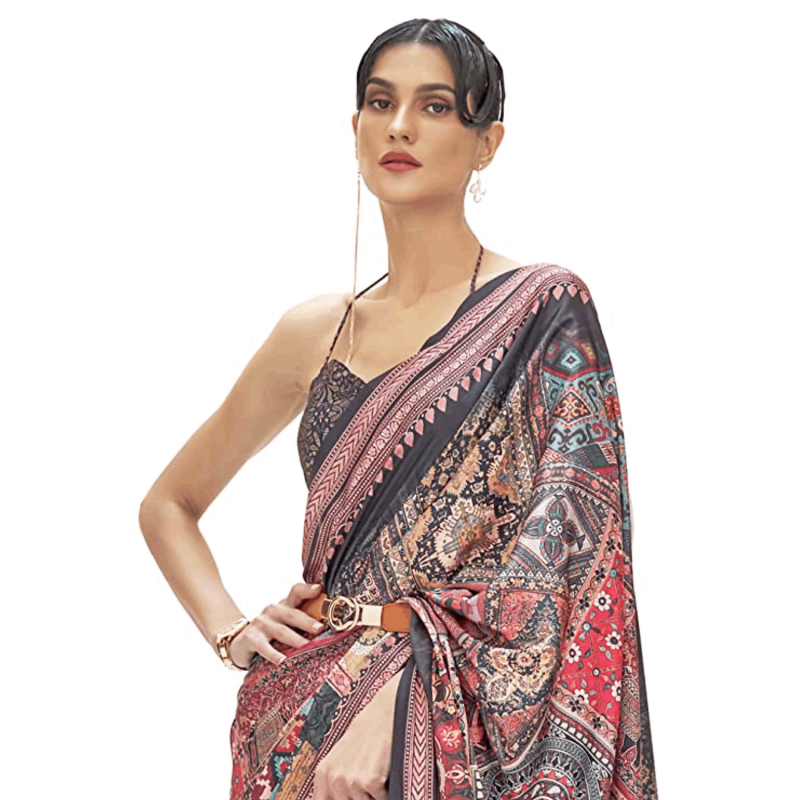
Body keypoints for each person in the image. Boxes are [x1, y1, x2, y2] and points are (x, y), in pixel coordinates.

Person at [139, 17, 658, 800]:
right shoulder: (317, 331)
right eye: (381, 103)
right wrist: (232, 630)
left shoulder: (543, 309)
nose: (401, 126)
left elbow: (569, 562)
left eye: (437, 106)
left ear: (488, 143)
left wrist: (400, 695)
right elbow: (169, 505)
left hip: (455, 732)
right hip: (301, 717)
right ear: (355, 127)